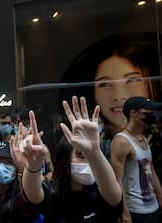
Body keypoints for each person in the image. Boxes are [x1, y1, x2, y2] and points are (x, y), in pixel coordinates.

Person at [60, 32, 161, 161]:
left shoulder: (153, 139)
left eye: (132, 80)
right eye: (104, 84)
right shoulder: (94, 140)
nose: (119, 96)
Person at [21, 96, 123, 222]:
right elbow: (33, 194)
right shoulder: (52, 192)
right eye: (80, 155)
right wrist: (32, 164)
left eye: (89, 157)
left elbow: (114, 198)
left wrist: (94, 153)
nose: (87, 162)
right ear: (65, 159)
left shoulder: (101, 189)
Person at [111, 96, 162, 223]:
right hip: (136, 211)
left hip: (153, 207)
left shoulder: (143, 138)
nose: (152, 115)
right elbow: (117, 181)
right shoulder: (121, 141)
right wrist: (125, 213)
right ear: (133, 113)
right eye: (147, 112)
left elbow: (151, 172)